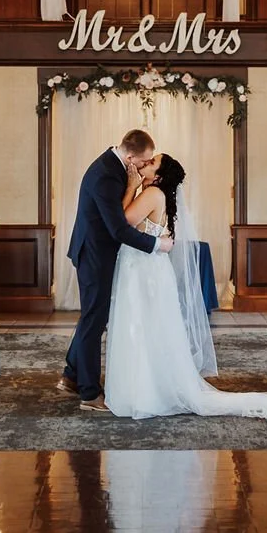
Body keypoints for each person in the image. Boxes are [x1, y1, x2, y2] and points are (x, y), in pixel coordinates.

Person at [104, 152, 267, 423]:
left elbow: (122, 221)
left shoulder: (152, 193)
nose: (145, 164)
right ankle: (151, 386)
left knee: (142, 326)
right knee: (150, 328)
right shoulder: (156, 194)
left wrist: (130, 187)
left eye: (152, 162)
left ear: (158, 176)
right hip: (149, 269)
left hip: (144, 272)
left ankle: (145, 392)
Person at [57, 130, 175, 411]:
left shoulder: (118, 167)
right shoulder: (106, 174)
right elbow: (118, 229)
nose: (145, 166)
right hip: (94, 255)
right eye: (144, 161)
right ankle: (89, 394)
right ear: (131, 157)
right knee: (94, 321)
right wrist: (156, 245)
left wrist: (132, 186)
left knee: (93, 316)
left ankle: (71, 376)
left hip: (99, 252)